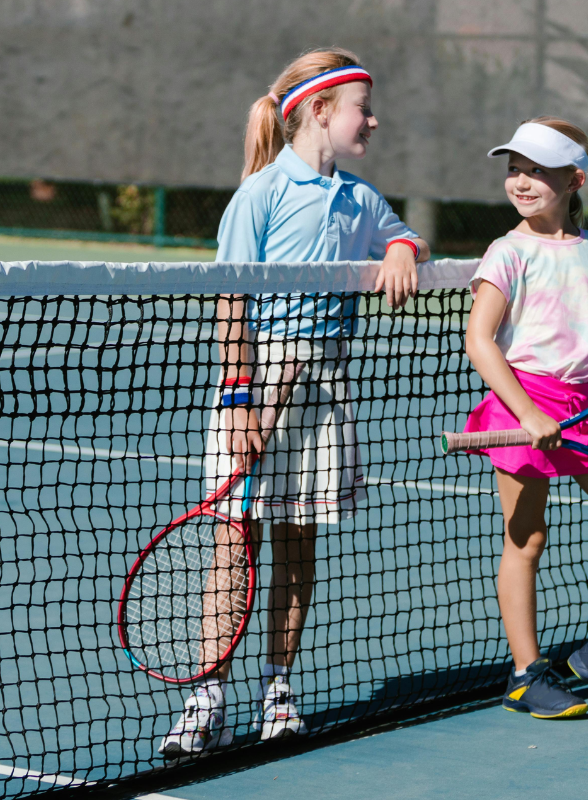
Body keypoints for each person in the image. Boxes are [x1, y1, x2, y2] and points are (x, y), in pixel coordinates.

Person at [160, 48, 430, 757]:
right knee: (232, 542)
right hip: (253, 382)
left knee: (298, 542)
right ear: (319, 111)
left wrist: (402, 245)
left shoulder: (361, 198)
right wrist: (241, 398)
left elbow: (404, 235)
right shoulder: (259, 195)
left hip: (323, 385)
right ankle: (206, 696)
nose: (373, 120)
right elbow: (231, 301)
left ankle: (277, 687)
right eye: (361, 109)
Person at [461, 117, 588, 719]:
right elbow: (480, 341)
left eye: (538, 171)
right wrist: (527, 413)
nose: (522, 182)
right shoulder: (507, 251)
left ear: (575, 179)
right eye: (515, 169)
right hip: (522, 401)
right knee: (526, 539)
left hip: (584, 411)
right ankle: (526, 675)